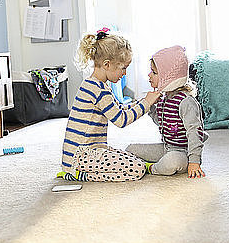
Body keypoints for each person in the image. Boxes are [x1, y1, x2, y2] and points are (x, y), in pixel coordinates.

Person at [57, 29, 161, 182]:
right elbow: (121, 120)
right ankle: (80, 174)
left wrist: (142, 102)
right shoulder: (98, 89)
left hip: (83, 153)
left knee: (130, 156)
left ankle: (77, 171)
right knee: (137, 168)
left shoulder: (95, 84)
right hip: (81, 157)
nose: (124, 73)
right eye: (123, 68)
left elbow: (118, 108)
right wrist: (146, 104)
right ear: (107, 64)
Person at [126, 45, 208, 178]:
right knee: (131, 149)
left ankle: (151, 168)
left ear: (169, 78)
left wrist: (194, 161)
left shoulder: (186, 101)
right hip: (167, 147)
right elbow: (163, 124)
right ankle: (148, 164)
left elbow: (195, 131)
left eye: (154, 72)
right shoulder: (165, 98)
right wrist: (150, 107)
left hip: (183, 154)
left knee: (172, 161)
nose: (149, 75)